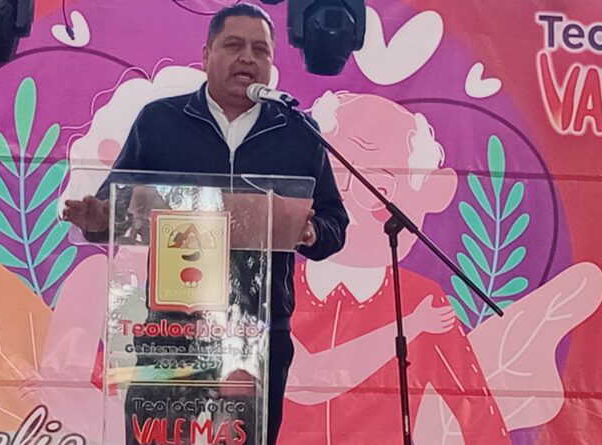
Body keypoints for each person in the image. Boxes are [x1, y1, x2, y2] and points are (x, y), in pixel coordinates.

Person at [62, 4, 348, 445]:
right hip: (171, 329)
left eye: (260, 50)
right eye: (233, 45)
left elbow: (334, 224)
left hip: (259, 332)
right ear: (206, 55)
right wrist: (98, 220)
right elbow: (112, 204)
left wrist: (309, 232)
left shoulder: (297, 131)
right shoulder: (160, 122)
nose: (248, 58)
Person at [280, 92, 511, 443]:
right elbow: (303, 379)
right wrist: (414, 325)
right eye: (336, 182)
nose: (349, 207)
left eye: (377, 186)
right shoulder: (279, 284)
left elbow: (476, 411)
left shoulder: (421, 298)